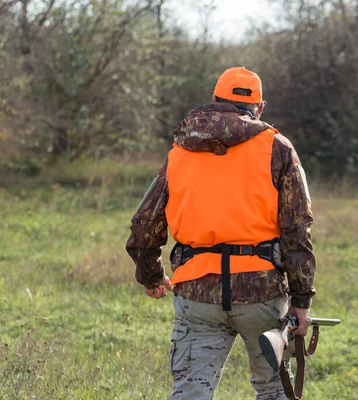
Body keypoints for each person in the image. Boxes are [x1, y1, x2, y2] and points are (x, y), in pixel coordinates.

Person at [126, 66, 316, 400]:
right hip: (262, 296)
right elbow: (296, 230)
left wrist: (152, 276)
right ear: (260, 108)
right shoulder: (278, 148)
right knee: (274, 392)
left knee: (190, 394)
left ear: (214, 100)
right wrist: (301, 300)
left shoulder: (180, 150)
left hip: (197, 294)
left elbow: (144, 224)